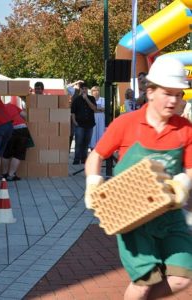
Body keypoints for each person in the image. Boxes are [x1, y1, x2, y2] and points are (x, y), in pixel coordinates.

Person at [85, 56, 192, 299]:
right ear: (150, 91)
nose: (174, 100)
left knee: (181, 278)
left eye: (179, 94)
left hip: (170, 215)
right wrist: (93, 182)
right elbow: (97, 155)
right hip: (132, 216)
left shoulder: (186, 129)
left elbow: (190, 168)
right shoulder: (126, 123)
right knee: (144, 282)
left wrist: (184, 184)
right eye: (168, 93)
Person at [2, 102, 31, 181]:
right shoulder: (11, 105)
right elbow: (25, 115)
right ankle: (11, 175)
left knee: (6, 153)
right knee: (18, 154)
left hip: (9, 130)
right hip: (22, 129)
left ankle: (4, 174)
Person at [71, 82, 97, 165]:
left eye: (86, 89)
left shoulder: (91, 98)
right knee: (78, 142)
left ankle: (84, 159)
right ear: (80, 89)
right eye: (83, 89)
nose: (84, 90)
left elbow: (94, 108)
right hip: (80, 124)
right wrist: (75, 122)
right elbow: (73, 112)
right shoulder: (76, 99)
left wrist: (86, 99)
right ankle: (76, 159)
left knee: (86, 142)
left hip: (90, 124)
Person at [67, 80, 84, 152]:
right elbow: (67, 87)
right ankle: (68, 150)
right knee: (71, 133)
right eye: (79, 84)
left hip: (81, 115)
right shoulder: (74, 91)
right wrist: (76, 82)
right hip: (73, 114)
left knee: (80, 134)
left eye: (80, 84)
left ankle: (79, 151)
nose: (79, 85)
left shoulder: (84, 92)